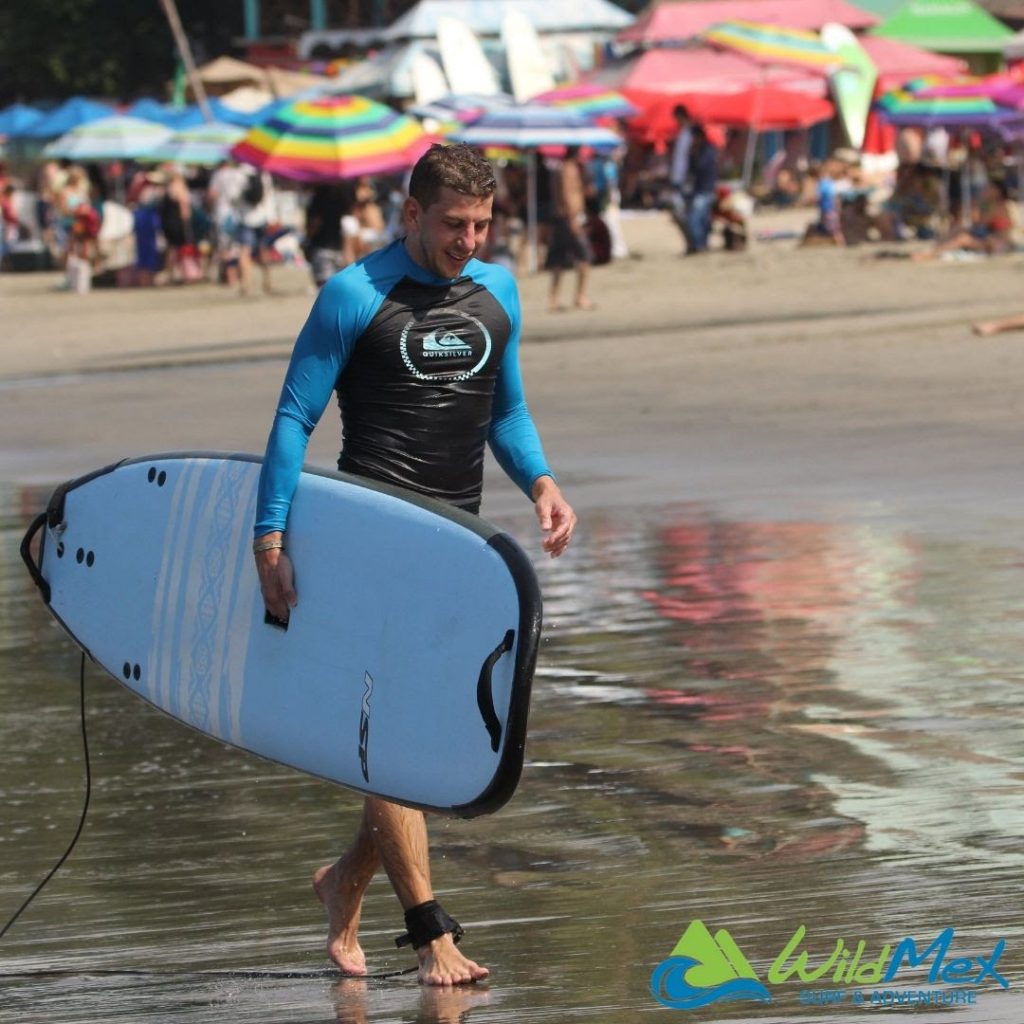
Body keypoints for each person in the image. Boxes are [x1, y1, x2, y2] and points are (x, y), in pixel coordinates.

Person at [251, 143, 577, 986]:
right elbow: (295, 418)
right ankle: (431, 934)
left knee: (420, 748)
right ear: (411, 215)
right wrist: (270, 539)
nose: (467, 239)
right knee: (391, 743)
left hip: (454, 546)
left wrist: (539, 480)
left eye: (481, 224)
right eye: (452, 224)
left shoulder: (497, 292)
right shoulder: (355, 295)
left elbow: (505, 408)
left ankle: (342, 884)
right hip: (370, 541)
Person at [544, 146, 594, 311]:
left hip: (564, 218)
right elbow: (567, 194)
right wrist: (573, 219)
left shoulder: (564, 168)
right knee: (585, 256)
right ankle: (580, 296)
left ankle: (554, 298)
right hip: (569, 219)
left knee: (559, 258)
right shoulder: (569, 169)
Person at [683, 125, 719, 254]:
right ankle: (701, 244)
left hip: (706, 190)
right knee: (701, 219)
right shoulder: (698, 151)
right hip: (698, 190)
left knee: (697, 219)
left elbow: (702, 168)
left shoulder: (708, 151)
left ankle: (700, 245)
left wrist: (694, 154)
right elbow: (692, 170)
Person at [667, 104, 693, 253]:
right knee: (678, 212)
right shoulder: (682, 133)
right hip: (678, 179)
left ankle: (692, 242)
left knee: (682, 212)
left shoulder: (690, 134)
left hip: (685, 180)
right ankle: (690, 243)